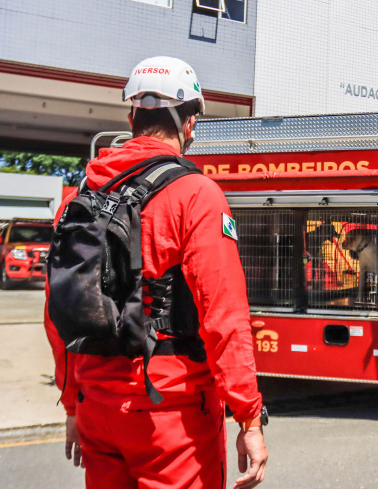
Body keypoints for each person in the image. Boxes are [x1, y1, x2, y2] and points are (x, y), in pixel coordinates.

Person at [44, 56, 267, 489]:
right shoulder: (196, 194)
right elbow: (225, 315)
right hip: (171, 416)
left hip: (96, 409)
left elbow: (59, 312)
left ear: (131, 117)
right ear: (189, 125)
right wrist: (250, 417)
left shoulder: (80, 196)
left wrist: (73, 404)